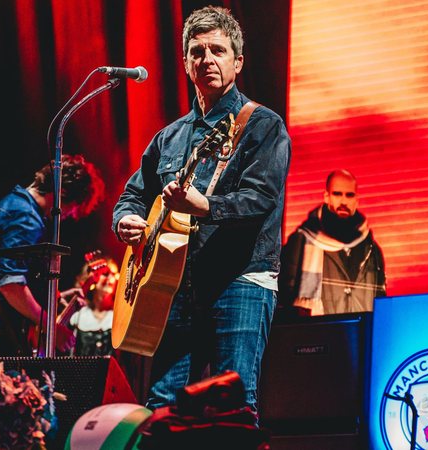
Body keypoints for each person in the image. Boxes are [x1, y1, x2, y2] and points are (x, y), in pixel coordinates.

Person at [113, 6, 291, 418]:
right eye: (197, 51)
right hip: (175, 286)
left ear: (238, 61)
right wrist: (126, 220)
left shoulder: (262, 125)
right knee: (161, 408)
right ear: (186, 62)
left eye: (218, 50)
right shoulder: (169, 136)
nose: (207, 59)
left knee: (233, 408)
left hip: (241, 279)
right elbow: (134, 195)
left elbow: (262, 197)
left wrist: (205, 205)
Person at [0, 154, 105, 357]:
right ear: (62, 191)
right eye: (72, 208)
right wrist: (52, 328)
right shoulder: (25, 217)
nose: (69, 215)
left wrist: (52, 297)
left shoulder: (14, 204)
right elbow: (11, 286)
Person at [279, 169, 386, 316]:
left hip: (360, 334)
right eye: (337, 194)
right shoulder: (301, 241)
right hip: (317, 334)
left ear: (356, 199)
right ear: (327, 197)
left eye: (349, 195)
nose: (343, 201)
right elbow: (284, 299)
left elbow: (380, 301)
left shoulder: (371, 250)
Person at [68, 253, 118, 357]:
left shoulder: (119, 316)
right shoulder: (79, 315)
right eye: (106, 274)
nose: (110, 279)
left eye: (114, 274)